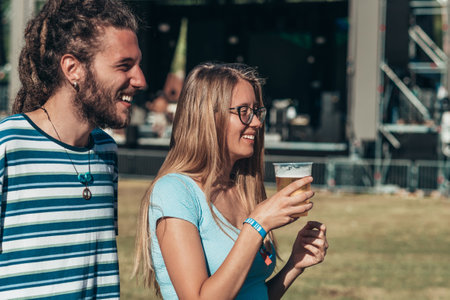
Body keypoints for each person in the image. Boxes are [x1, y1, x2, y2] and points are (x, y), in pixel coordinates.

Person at [133, 62, 328, 299]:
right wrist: (257, 224)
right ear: (207, 116)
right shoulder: (174, 191)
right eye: (243, 111)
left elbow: (251, 293)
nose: (256, 122)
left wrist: (294, 265)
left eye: (256, 111)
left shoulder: (241, 188)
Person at [0, 0, 146, 298]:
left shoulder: (106, 150)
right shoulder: (9, 146)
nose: (140, 80)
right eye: (124, 66)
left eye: (138, 64)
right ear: (73, 69)